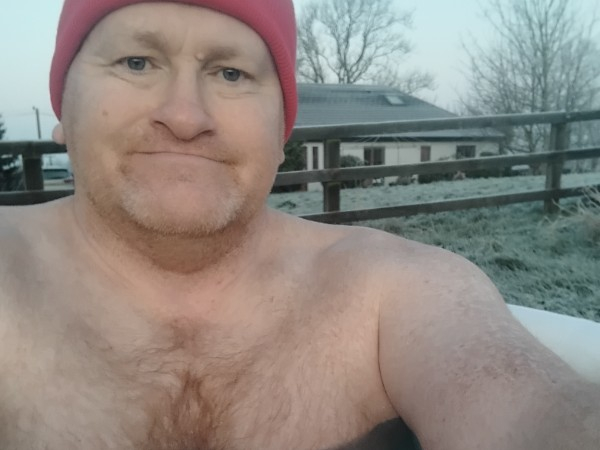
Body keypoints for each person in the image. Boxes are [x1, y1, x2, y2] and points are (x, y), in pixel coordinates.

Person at [0, 0, 598, 449]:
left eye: (231, 74)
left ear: (280, 129)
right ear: (63, 107)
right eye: (137, 62)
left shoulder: (391, 292)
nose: (184, 116)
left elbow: (530, 412)